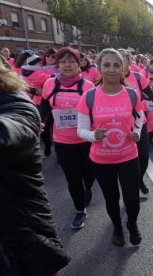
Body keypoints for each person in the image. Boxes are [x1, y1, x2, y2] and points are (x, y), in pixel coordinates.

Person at [0, 63, 70, 275]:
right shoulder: (50, 82)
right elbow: (47, 104)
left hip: (21, 246)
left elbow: (9, 130)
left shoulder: (16, 104)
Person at [77, 48, 144, 246]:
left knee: (132, 199)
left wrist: (138, 132)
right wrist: (91, 135)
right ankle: (117, 227)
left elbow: (140, 119)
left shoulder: (132, 94)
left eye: (116, 65)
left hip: (128, 155)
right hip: (101, 159)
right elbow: (80, 129)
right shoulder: (89, 96)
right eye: (106, 65)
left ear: (123, 68)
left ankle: (132, 224)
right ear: (99, 68)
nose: (112, 69)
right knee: (112, 199)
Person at [40, 47, 96, 230]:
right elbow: (44, 107)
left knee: (89, 174)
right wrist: (40, 121)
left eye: (72, 61)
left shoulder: (88, 86)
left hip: (86, 140)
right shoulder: (50, 84)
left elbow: (95, 112)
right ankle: (80, 210)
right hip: (63, 141)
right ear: (58, 65)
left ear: (79, 64)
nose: (67, 65)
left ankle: (88, 187)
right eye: (63, 61)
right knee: (72, 178)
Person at [118, 49, 153, 195]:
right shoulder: (111, 79)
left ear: (129, 62)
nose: (120, 64)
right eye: (118, 61)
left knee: (143, 156)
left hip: (139, 122)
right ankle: (131, 185)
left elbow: (152, 96)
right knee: (126, 160)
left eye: (123, 60)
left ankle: (139, 179)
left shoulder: (138, 77)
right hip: (120, 126)